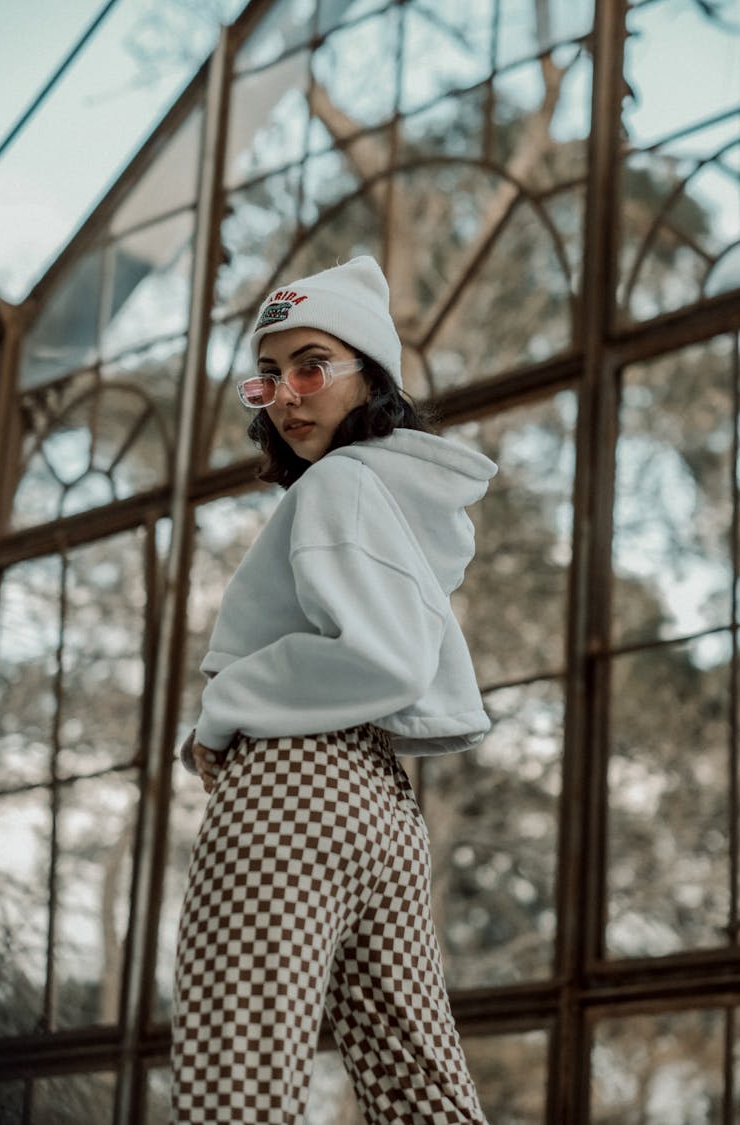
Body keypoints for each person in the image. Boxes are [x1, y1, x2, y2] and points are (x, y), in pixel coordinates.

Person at [172, 256, 498, 1124]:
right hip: (380, 808)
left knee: (236, 1078)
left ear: (371, 376)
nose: (287, 394)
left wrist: (224, 709)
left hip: (289, 788)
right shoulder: (393, 498)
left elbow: (383, 659)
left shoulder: (337, 487)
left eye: (313, 366)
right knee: (424, 1091)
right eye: (268, 376)